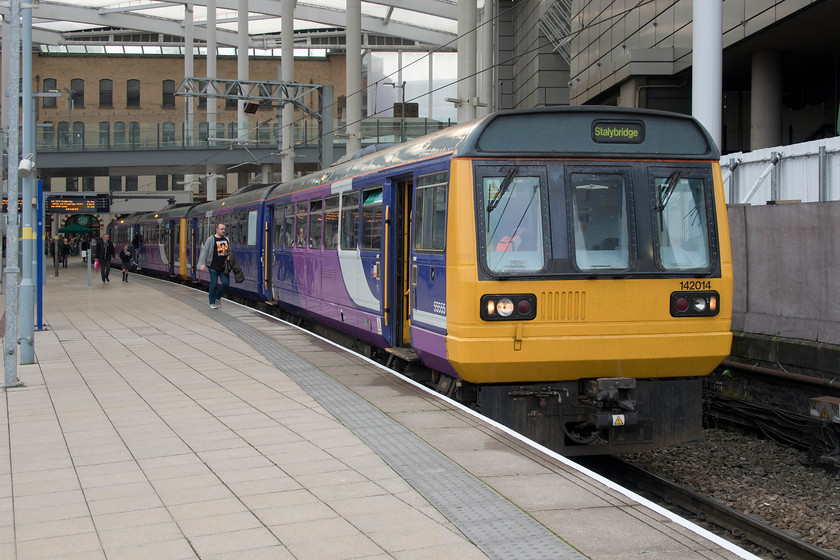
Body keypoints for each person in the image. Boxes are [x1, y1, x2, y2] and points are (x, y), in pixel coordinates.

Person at [198, 223, 230, 309]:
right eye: (221, 229)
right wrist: (203, 263)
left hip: (223, 266)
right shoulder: (211, 239)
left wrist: (228, 256)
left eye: (224, 229)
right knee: (214, 283)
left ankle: (217, 297)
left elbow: (227, 251)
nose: (223, 231)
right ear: (217, 229)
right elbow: (205, 251)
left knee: (226, 282)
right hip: (213, 266)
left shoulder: (226, 239)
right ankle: (212, 302)